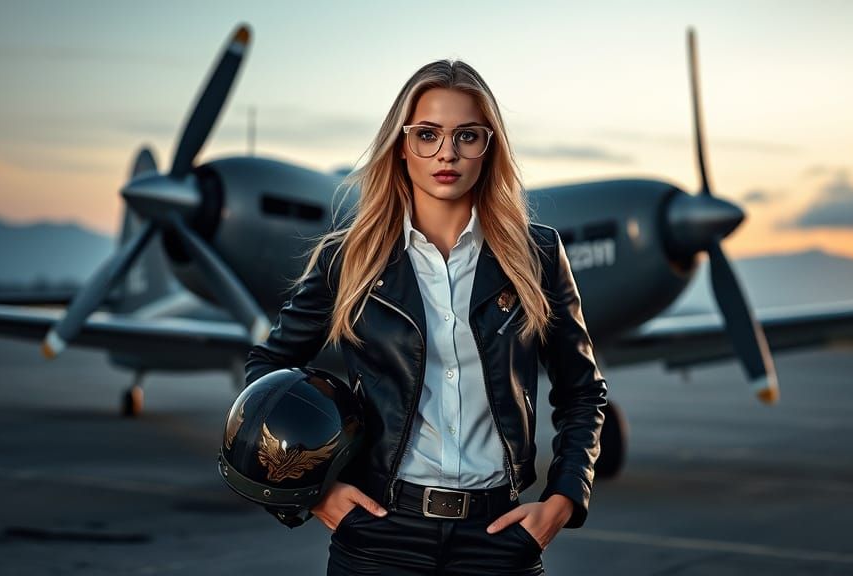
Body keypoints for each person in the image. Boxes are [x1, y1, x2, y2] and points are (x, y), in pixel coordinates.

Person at [245, 59, 607, 576]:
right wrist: (311, 492)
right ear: (401, 145)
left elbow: (582, 390)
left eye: (467, 136)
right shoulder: (348, 259)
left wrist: (564, 499)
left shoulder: (538, 255)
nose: (447, 153)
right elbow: (268, 368)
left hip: (498, 541)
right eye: (427, 134)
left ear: (490, 147)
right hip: (377, 538)